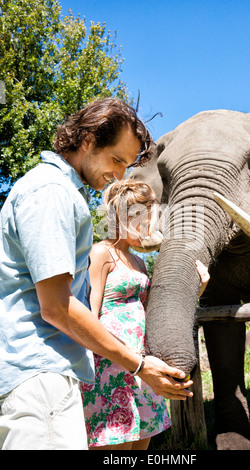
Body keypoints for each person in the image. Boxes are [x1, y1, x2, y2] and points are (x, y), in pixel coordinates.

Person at [0, 98, 194, 451]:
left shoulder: (62, 193)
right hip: (40, 376)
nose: (119, 175)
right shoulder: (51, 192)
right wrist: (138, 366)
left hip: (52, 375)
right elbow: (58, 307)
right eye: (117, 159)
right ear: (88, 140)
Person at [81, 179, 210, 450]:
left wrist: (198, 289)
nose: (148, 229)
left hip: (142, 369)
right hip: (111, 368)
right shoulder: (101, 253)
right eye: (143, 221)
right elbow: (89, 315)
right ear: (123, 218)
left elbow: (153, 311)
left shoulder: (138, 262)